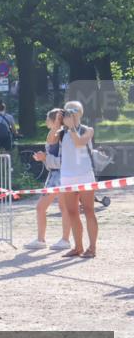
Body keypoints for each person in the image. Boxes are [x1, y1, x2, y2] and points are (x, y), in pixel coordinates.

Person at [26, 108, 71, 250]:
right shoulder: (56, 134)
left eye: (47, 118)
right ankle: (46, 239)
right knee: (58, 207)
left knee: (45, 207)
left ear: (54, 120)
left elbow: (64, 161)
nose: (45, 121)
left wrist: (45, 158)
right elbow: (51, 143)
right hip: (55, 175)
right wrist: (44, 158)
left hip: (60, 176)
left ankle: (60, 239)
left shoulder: (63, 135)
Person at [58, 101, 98, 259]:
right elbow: (50, 142)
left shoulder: (88, 130)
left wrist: (72, 127)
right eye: (67, 111)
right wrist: (57, 123)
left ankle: (92, 248)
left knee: (89, 211)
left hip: (85, 175)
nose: (69, 114)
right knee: (72, 212)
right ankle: (78, 247)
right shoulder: (62, 132)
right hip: (67, 177)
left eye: (72, 111)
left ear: (80, 113)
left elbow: (79, 143)